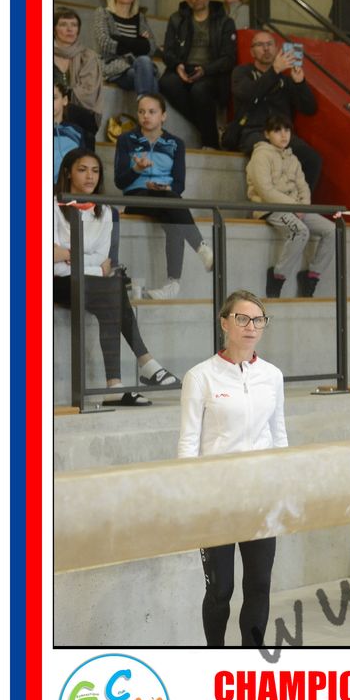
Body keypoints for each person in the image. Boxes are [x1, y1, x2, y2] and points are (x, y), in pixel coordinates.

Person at [177, 289, 287, 647]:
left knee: (259, 585)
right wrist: (190, 497)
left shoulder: (272, 376)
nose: (251, 326)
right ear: (224, 323)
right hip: (217, 499)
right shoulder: (200, 376)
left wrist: (283, 489)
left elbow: (279, 435)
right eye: (242, 318)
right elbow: (188, 443)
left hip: (261, 497)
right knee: (220, 590)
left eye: (258, 320)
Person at [53, 149, 179, 406]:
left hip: (91, 283)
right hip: (56, 282)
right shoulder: (51, 205)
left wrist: (68, 255)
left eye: (95, 171)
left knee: (112, 291)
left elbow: (104, 261)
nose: (90, 176)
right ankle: (144, 365)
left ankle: (117, 385)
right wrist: (86, 262)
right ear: (67, 172)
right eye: (82, 170)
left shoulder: (107, 211)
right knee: (113, 288)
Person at [114, 93, 214, 299]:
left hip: (166, 197)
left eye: (152, 112)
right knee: (174, 205)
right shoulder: (126, 140)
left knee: (174, 219)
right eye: (141, 112)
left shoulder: (176, 143)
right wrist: (137, 170)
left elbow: (179, 184)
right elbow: (120, 181)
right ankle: (201, 248)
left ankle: (172, 285)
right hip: (136, 197)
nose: (146, 116)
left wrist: (165, 187)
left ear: (163, 116)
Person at [246, 114, 334, 298]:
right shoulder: (260, 155)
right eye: (277, 130)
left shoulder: (292, 158)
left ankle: (311, 277)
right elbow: (266, 191)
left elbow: (304, 187)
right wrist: (295, 206)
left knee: (333, 231)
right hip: (270, 208)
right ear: (267, 134)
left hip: (296, 209)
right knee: (300, 231)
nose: (283, 135)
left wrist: (303, 207)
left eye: (287, 130)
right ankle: (277, 276)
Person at [231, 31, 322, 189]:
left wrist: (300, 83)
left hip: (282, 133)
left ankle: (299, 202)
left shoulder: (285, 79)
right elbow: (250, 94)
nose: (266, 48)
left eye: (270, 44)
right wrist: (274, 70)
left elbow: (309, 109)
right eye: (260, 45)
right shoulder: (241, 72)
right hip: (253, 132)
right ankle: (276, 201)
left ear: (276, 48)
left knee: (313, 159)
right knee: (270, 153)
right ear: (252, 52)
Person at [159, 0, 237, 149]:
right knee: (166, 82)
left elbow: (228, 58)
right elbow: (168, 52)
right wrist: (177, 65)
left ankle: (211, 143)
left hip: (212, 72)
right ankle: (210, 129)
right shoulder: (176, 19)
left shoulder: (225, 22)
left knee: (199, 90)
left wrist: (205, 70)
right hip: (184, 67)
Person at [92, 0, 159, 99]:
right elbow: (105, 43)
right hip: (113, 67)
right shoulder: (103, 13)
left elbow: (151, 47)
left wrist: (119, 40)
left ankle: (144, 105)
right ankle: (150, 108)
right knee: (149, 76)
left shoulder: (139, 17)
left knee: (144, 62)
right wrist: (139, 43)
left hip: (137, 65)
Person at [53, 7, 103, 134]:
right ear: (54, 29)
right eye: (63, 24)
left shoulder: (88, 56)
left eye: (74, 25)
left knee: (80, 118)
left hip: (79, 112)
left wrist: (62, 99)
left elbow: (89, 93)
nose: (69, 29)